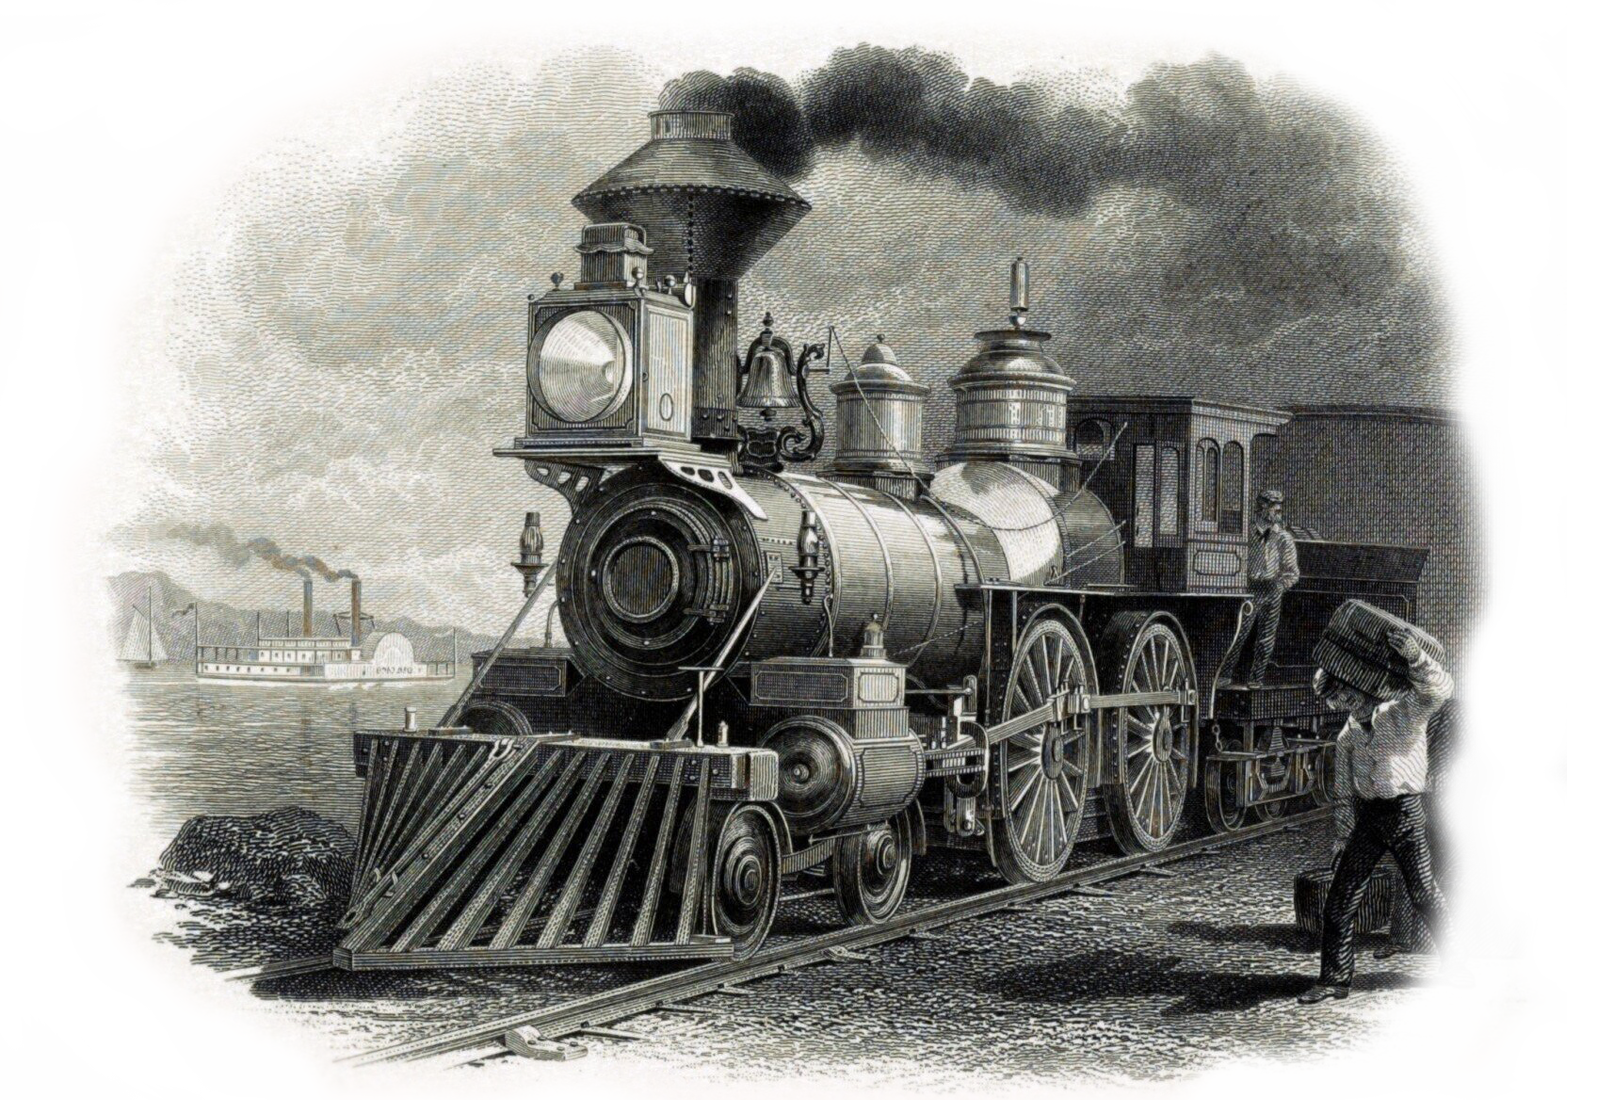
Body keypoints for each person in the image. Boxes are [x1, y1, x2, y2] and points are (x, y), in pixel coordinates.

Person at [1299, 628, 1475, 1004]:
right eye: (1335, 698)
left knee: (1425, 893)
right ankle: (1333, 980)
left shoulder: (1404, 713)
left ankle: (1455, 962)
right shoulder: (1346, 738)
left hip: (1407, 814)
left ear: (1362, 685)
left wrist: (1414, 657)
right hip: (1369, 820)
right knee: (1340, 901)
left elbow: (1439, 688)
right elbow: (1344, 796)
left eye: (1344, 692)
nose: (1342, 703)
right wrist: (1342, 838)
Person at [1237, 488, 1299, 686]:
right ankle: (1226, 676)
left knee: (1266, 640)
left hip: (1272, 590)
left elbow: (1292, 572)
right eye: (1275, 510)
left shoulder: (1284, 538)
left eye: (1280, 511)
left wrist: (1280, 586)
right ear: (1262, 508)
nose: (1278, 515)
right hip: (1248, 589)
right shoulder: (1244, 534)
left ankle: (1256, 679)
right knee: (1239, 634)